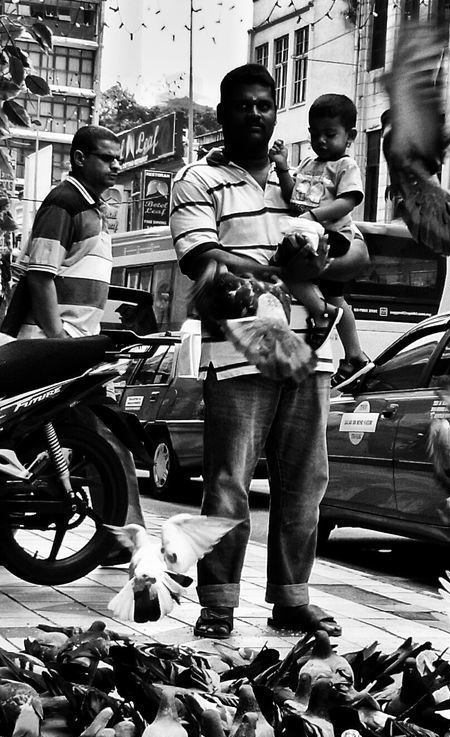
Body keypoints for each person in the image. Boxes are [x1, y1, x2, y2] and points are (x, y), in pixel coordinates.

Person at [168, 63, 369, 641]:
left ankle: (291, 600)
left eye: (265, 104)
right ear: (223, 113)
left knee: (305, 483)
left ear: (275, 111)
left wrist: (314, 260)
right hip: (237, 354)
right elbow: (203, 262)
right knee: (228, 482)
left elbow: (357, 254)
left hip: (312, 355)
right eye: (244, 105)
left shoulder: (309, 180)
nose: (255, 113)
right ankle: (219, 602)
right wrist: (289, 267)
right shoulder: (196, 181)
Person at [0, 125, 146, 533]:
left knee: (71, 441)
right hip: (50, 346)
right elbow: (40, 275)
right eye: (106, 157)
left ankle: (120, 536)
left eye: (118, 158)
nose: (116, 165)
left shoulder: (91, 208)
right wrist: (57, 342)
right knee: (105, 443)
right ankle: (124, 537)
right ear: (80, 158)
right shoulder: (64, 203)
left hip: (69, 344)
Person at [269, 93, 371, 390]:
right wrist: (283, 167)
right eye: (316, 134)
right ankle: (354, 355)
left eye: (330, 134)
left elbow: (348, 202)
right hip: (307, 232)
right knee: (337, 297)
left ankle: (321, 313)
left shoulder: (345, 165)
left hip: (334, 235)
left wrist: (313, 217)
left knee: (284, 268)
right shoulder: (309, 163)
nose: (322, 141)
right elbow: (292, 195)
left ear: (350, 136)